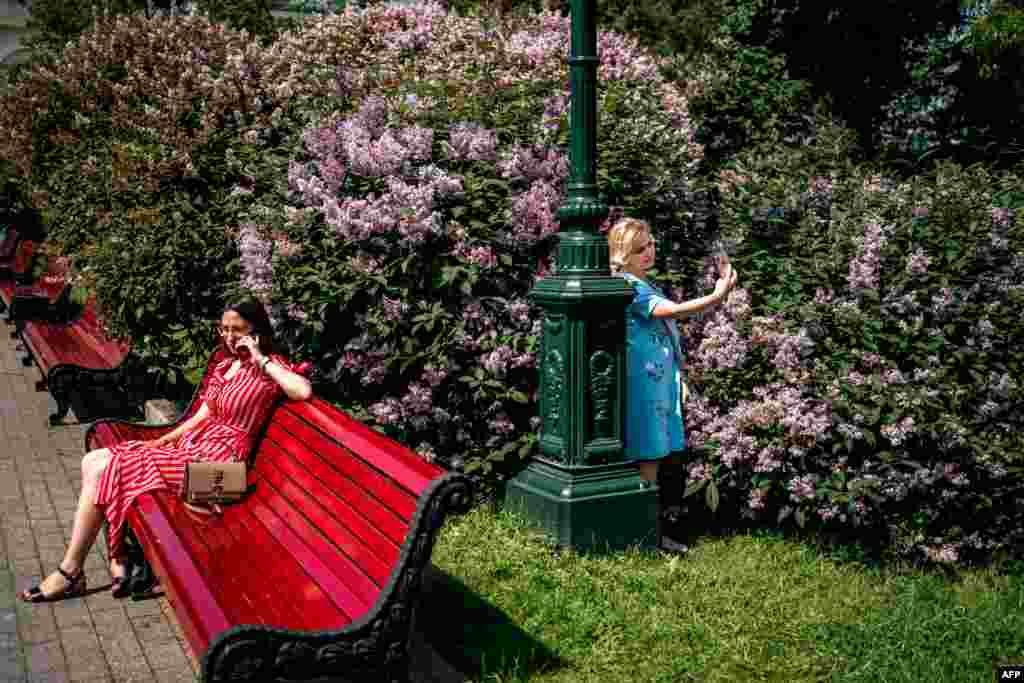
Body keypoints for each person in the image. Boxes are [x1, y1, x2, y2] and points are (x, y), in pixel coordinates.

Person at [19, 299, 313, 602]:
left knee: (111, 467)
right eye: (223, 329)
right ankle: (105, 560)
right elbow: (203, 415)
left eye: (236, 330)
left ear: (256, 331)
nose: (228, 337)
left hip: (227, 474)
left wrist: (259, 357)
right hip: (195, 454)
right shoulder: (227, 365)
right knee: (95, 459)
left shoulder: (270, 366)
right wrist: (160, 442)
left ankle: (77, 570)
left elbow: (302, 390)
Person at [607, 218, 738, 554]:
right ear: (623, 255)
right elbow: (674, 312)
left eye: (650, 244)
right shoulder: (629, 285)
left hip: (656, 382)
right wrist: (717, 294)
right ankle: (644, 535)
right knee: (648, 457)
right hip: (644, 386)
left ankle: (645, 531)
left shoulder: (640, 282)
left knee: (653, 456)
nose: (649, 251)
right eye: (639, 249)